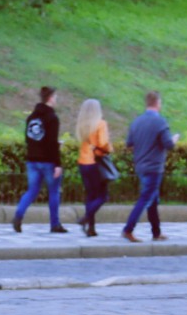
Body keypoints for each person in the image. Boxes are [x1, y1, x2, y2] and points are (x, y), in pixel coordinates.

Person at [121, 90, 177, 243]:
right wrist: (174, 139)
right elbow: (168, 145)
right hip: (154, 167)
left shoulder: (137, 121)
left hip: (140, 165)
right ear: (158, 103)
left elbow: (129, 144)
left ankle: (156, 232)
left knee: (152, 199)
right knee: (146, 198)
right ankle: (128, 229)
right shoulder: (160, 122)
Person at [11, 86, 67, 234]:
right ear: (50, 98)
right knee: (54, 191)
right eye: (55, 96)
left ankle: (18, 215)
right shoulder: (52, 118)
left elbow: (28, 138)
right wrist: (58, 164)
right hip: (48, 160)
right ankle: (55, 224)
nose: (56, 99)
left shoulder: (31, 117)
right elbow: (52, 142)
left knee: (32, 190)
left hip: (32, 159)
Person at [75, 98, 112, 237]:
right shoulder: (101, 124)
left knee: (90, 195)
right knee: (103, 196)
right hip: (96, 162)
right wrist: (109, 147)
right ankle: (86, 217)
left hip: (83, 161)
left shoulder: (82, 125)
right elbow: (103, 143)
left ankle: (91, 228)